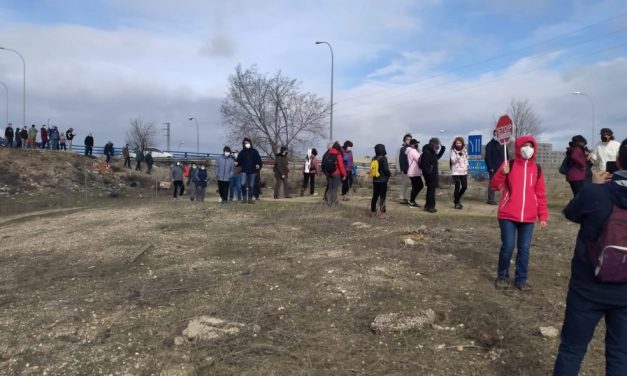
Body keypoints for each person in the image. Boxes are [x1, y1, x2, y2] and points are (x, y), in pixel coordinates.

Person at [554, 138, 627, 375]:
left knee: (572, 350)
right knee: (620, 354)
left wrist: (591, 185)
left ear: (617, 161)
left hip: (587, 288)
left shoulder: (597, 194)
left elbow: (571, 213)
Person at [491, 135, 548, 291]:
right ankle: (502, 276)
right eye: (525, 145)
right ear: (518, 147)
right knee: (508, 246)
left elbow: (540, 194)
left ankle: (521, 280)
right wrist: (502, 173)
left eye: (531, 146)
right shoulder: (508, 164)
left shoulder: (537, 170)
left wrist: (542, 216)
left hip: (528, 218)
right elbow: (495, 186)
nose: (528, 149)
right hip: (507, 215)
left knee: (524, 250)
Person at [420, 137, 446, 213]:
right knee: (431, 192)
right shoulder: (427, 152)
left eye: (438, 146)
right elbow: (425, 165)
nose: (437, 148)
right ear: (433, 144)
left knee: (430, 191)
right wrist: (429, 173)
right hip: (430, 175)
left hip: (432, 175)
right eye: (437, 146)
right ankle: (430, 207)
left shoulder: (431, 152)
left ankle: (427, 206)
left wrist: (443, 148)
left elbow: (437, 157)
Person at [235, 137, 262, 204]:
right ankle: (244, 198)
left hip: (252, 171)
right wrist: (237, 163)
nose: (247, 144)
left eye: (248, 143)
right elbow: (239, 161)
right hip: (244, 171)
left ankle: (250, 198)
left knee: (251, 185)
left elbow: (259, 160)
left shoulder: (254, 151)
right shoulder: (242, 152)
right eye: (245, 143)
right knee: (243, 184)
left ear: (250, 143)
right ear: (243, 144)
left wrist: (258, 165)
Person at [370, 144, 392, 217]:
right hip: (382, 181)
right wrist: (389, 174)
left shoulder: (373, 158)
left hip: (375, 180)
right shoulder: (383, 158)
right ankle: (382, 213)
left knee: (375, 196)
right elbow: (386, 169)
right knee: (382, 197)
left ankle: (373, 212)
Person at [323, 141, 347, 206]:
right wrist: (344, 174)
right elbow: (341, 166)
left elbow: (324, 163)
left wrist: (325, 172)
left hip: (329, 173)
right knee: (335, 189)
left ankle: (329, 202)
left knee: (330, 188)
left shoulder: (328, 153)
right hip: (336, 173)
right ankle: (335, 202)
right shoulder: (338, 154)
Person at [485, 130, 504, 205]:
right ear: (494, 134)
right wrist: (490, 167)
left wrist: (508, 164)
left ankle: (507, 198)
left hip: (503, 167)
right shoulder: (490, 144)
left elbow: (506, 155)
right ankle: (491, 199)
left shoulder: (503, 144)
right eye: (497, 133)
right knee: (492, 183)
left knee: (507, 182)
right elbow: (487, 157)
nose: (498, 135)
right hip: (493, 168)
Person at [450, 137, 469, 210]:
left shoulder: (464, 150)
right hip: (456, 172)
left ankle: (456, 199)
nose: (458, 144)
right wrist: (460, 154)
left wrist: (467, 165)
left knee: (464, 187)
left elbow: (466, 159)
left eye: (460, 143)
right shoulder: (453, 151)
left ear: (462, 143)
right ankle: (456, 203)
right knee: (457, 187)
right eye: (457, 143)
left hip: (463, 171)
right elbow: (453, 161)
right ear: (455, 144)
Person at [405, 139, 423, 208]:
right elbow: (419, 159)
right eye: (415, 144)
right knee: (419, 186)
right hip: (414, 172)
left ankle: (412, 200)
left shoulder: (409, 151)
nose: (417, 145)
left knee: (415, 187)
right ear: (412, 145)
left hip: (412, 171)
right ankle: (412, 200)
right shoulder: (413, 151)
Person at [396, 133, 413, 204]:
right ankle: (401, 198)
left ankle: (407, 198)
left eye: (410, 140)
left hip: (411, 169)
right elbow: (397, 158)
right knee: (404, 184)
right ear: (404, 140)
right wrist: (398, 168)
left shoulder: (413, 148)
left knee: (410, 184)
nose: (408, 141)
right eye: (407, 140)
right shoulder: (400, 148)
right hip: (404, 169)